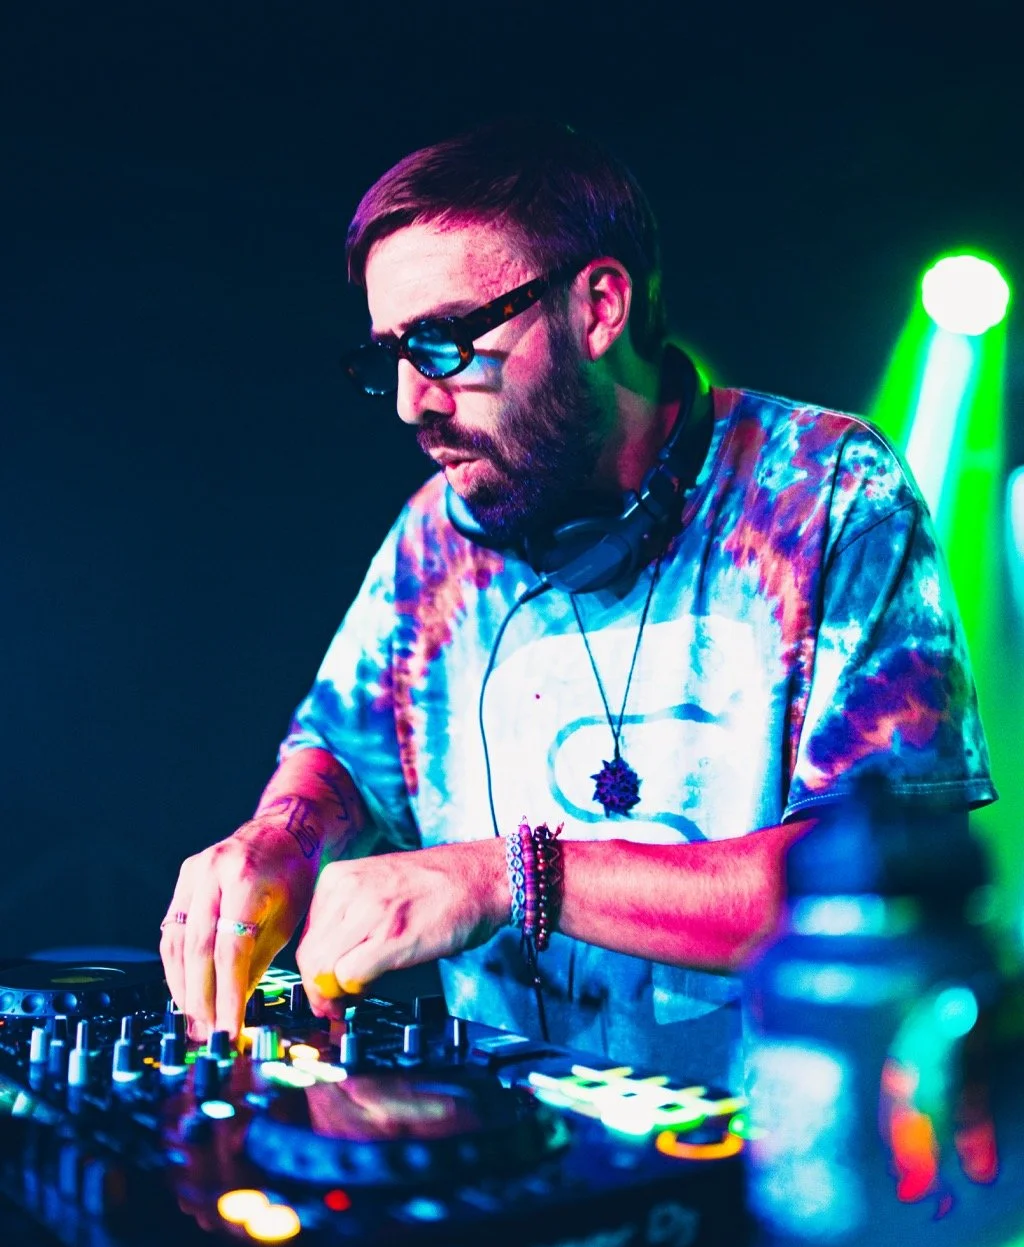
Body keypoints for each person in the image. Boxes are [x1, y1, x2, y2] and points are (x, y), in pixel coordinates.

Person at [159, 118, 996, 1084]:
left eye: (441, 343)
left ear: (599, 307)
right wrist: (281, 836)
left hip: (778, 1168)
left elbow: (887, 882)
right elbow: (341, 760)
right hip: (514, 1145)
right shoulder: (436, 533)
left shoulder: (826, 487)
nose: (409, 402)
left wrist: (507, 880)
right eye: (388, 355)